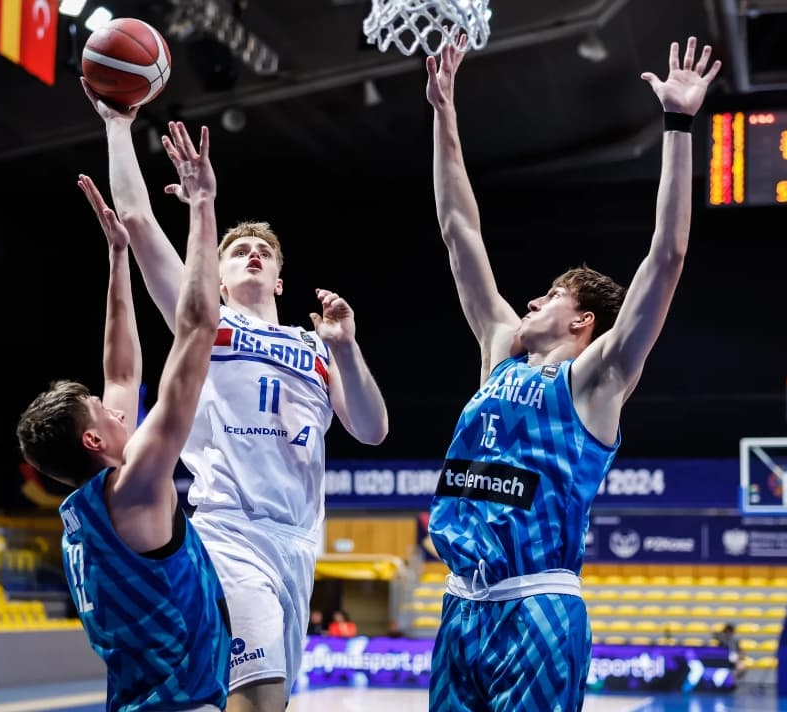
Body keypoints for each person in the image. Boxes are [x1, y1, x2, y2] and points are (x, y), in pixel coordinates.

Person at [423, 35, 720, 711]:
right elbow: (456, 229)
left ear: (582, 320)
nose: (527, 302)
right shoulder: (499, 351)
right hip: (460, 603)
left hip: (536, 606)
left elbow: (666, 259)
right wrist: (443, 113)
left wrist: (676, 124)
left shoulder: (596, 379)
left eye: (549, 296)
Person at [81, 80, 389, 712]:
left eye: (264, 253)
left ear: (280, 277)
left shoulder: (318, 343)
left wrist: (348, 347)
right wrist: (118, 126)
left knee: (259, 699)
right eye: (240, 251)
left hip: (300, 543)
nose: (252, 255)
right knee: (260, 699)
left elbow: (372, 429)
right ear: (216, 275)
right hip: (230, 531)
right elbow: (138, 224)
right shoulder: (206, 324)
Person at [16, 121, 231, 711]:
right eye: (103, 412)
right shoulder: (135, 486)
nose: (118, 410)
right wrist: (204, 207)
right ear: (92, 437)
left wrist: (119, 258)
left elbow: (120, 372)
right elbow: (198, 329)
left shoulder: (84, 513)